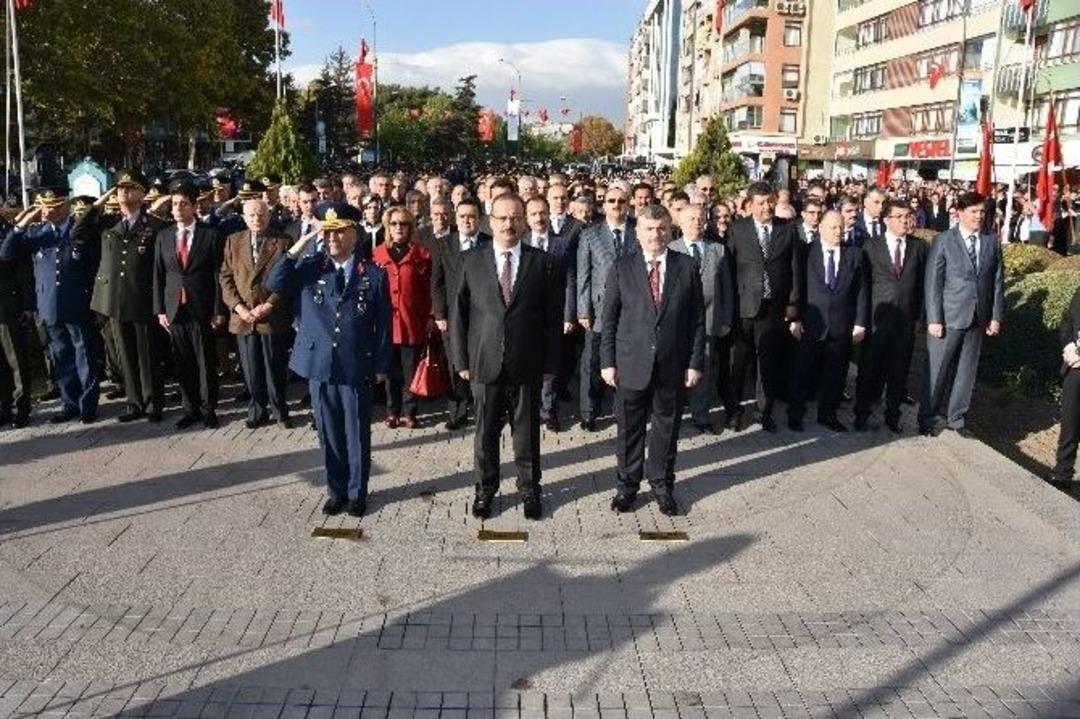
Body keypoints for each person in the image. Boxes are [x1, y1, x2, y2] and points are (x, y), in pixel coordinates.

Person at [266, 202, 390, 517]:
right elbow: (274, 283)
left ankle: (357, 493)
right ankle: (336, 492)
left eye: (340, 232)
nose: (332, 238)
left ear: (354, 234)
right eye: (328, 232)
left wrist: (380, 365)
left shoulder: (373, 274)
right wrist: (301, 243)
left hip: (355, 364)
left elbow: (383, 324)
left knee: (356, 433)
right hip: (319, 364)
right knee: (328, 432)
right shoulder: (311, 268)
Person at [450, 193, 561, 521]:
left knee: (526, 435)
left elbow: (552, 318)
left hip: (527, 362)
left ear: (524, 221)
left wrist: (550, 363)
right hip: (484, 362)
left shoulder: (542, 262)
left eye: (515, 217)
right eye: (502, 218)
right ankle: (485, 491)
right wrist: (461, 361)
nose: (508, 224)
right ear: (490, 221)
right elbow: (458, 314)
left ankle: (530, 490)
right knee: (485, 434)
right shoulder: (471, 260)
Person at [600, 203, 705, 516]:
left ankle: (661, 485)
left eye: (661, 228)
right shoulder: (622, 267)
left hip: (673, 364)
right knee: (629, 429)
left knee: (666, 428)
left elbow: (697, 320)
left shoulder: (687, 266)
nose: (655, 234)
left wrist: (694, 362)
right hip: (630, 363)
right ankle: (627, 487)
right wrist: (607, 362)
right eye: (649, 229)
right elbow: (609, 320)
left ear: (670, 230)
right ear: (638, 232)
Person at [0, 188, 102, 424]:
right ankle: (69, 404)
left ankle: (87, 405)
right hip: (48, 304)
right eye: (45, 206)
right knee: (61, 357)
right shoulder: (37, 233)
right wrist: (20, 225)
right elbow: (6, 253)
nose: (48, 211)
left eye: (54, 206)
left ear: (65, 205)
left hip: (77, 301)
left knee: (84, 356)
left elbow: (94, 266)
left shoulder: (79, 229)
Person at [79, 171, 170, 423]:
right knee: (125, 356)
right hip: (115, 300)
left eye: (130, 188)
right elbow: (78, 231)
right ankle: (134, 403)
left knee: (147, 355)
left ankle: (153, 403)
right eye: (120, 188)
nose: (123, 192)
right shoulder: (107, 223)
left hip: (142, 298)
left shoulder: (156, 226)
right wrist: (99, 202)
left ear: (143, 194)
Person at [919, 192, 1004, 437]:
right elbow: (933, 282)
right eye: (974, 211)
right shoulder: (944, 240)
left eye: (982, 212)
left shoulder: (991, 241)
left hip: (978, 317)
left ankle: (956, 418)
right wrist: (934, 318)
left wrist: (995, 315)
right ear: (959, 213)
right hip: (948, 318)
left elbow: (997, 281)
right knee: (938, 370)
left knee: (966, 371)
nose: (979, 216)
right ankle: (928, 417)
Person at [727, 182, 802, 432]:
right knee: (738, 363)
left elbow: (795, 269)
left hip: (774, 307)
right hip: (744, 307)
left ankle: (764, 412)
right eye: (760, 203)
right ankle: (734, 411)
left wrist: (792, 302)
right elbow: (728, 269)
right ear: (750, 205)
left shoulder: (787, 229)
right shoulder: (738, 229)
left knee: (767, 363)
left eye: (770, 202)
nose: (766, 207)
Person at [153, 182, 226, 430]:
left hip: (201, 307)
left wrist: (218, 310)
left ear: (194, 206)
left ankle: (208, 408)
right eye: (174, 204)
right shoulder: (163, 236)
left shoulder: (210, 235)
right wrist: (160, 309)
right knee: (182, 361)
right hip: (174, 307)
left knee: (205, 361)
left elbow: (218, 275)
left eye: (183, 204)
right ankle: (190, 408)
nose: (177, 209)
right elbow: (158, 274)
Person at [788, 210, 868, 432]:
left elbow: (862, 292)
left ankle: (828, 414)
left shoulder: (855, 255)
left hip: (841, 326)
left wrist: (860, 323)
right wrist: (794, 319)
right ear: (821, 228)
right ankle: (795, 414)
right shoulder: (805, 252)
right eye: (833, 227)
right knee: (802, 372)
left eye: (841, 227)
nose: (838, 231)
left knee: (835, 375)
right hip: (811, 325)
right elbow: (796, 288)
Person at [854, 200, 929, 433]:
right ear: (886, 219)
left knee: (899, 371)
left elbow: (924, 286)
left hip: (905, 322)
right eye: (899, 216)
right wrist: (861, 320)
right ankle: (862, 413)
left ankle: (893, 415)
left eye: (908, 216)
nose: (905, 220)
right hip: (877, 319)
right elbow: (863, 285)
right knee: (869, 369)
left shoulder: (919, 247)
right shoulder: (871, 246)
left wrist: (920, 318)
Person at [219, 198, 293, 429]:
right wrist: (239, 307)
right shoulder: (233, 241)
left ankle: (280, 411)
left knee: (274, 367)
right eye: (251, 215)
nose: (256, 219)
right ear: (244, 217)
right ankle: (257, 410)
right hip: (243, 317)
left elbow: (288, 279)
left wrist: (269, 305)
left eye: (261, 215)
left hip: (271, 316)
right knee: (251, 369)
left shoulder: (282, 241)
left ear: (269, 216)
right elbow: (225, 278)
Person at [669, 202, 733, 433]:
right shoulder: (670, 249)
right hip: (676, 324)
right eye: (691, 219)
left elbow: (726, 288)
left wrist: (725, 319)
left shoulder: (718, 250)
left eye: (700, 218)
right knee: (674, 370)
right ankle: (672, 415)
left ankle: (701, 416)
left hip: (708, 321)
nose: (696, 223)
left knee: (702, 371)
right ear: (680, 222)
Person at [577, 184, 636, 431]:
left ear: (629, 203)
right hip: (599, 309)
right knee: (592, 362)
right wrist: (583, 310)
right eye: (611, 200)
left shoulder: (638, 230)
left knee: (625, 361)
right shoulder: (590, 234)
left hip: (631, 309)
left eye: (621, 201)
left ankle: (621, 410)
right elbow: (583, 275)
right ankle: (588, 412)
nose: (616, 205)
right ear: (604, 204)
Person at [430, 197, 490, 430]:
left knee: (481, 360)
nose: (467, 220)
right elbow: (437, 283)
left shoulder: (488, 243)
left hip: (482, 316)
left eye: (472, 216)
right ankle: (458, 411)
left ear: (480, 219)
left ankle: (484, 408)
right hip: (452, 316)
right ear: (456, 217)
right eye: (462, 216)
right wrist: (439, 314)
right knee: (455, 363)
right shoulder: (443, 244)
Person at [372, 206, 432, 429]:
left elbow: (430, 288)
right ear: (387, 227)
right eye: (394, 223)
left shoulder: (421, 253)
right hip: (386, 324)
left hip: (412, 322)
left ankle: (410, 412)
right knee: (390, 372)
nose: (399, 228)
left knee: (410, 371)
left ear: (410, 227)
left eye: (403, 224)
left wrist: (431, 315)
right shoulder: (377, 254)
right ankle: (392, 411)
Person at [524, 196, 576, 432]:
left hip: (554, 315)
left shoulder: (562, 244)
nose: (539, 218)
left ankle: (549, 411)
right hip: (526, 316)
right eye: (534, 214)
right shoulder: (520, 242)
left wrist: (568, 315)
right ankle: (529, 410)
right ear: (527, 218)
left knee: (551, 366)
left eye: (543, 213)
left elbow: (570, 281)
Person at [0, 216, 35, 428]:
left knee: (16, 361)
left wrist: (28, 305)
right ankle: (4, 408)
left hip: (8, 306)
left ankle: (22, 407)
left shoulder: (8, 231)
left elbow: (24, 271)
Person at [1048, 284, 1080, 490]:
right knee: (1070, 420)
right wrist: (1069, 346)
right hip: (1074, 365)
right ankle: (1062, 472)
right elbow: (1067, 320)